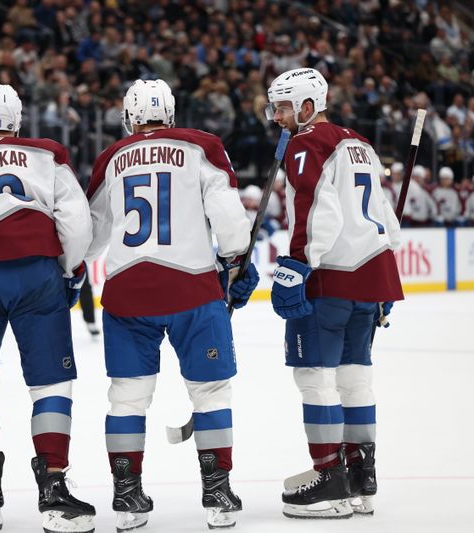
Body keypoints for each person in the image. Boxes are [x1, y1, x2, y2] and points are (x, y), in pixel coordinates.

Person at [86, 79, 259, 531]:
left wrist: (68, 270)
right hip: (193, 290)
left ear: (128, 117)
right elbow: (233, 228)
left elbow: (91, 236)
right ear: (172, 113)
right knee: (211, 393)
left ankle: (126, 499)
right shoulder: (201, 147)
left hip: (127, 291)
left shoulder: (112, 158)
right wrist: (233, 260)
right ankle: (218, 495)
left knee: (127, 397)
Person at [0, 84, 95, 533]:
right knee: (51, 383)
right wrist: (68, 270)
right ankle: (53, 489)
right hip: (37, 273)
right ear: (18, 120)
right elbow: (77, 220)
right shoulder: (46, 155)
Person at [265, 68, 403, 519]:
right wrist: (382, 266)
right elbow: (386, 219)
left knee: (314, 376)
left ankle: (329, 477)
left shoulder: (309, 143)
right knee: (354, 375)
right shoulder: (360, 143)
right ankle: (362, 476)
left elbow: (313, 210)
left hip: (330, 277)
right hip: (372, 274)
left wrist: (298, 265)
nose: (277, 117)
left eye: (284, 107)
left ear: (308, 105)